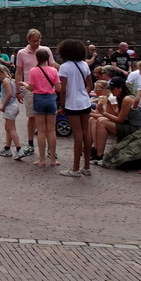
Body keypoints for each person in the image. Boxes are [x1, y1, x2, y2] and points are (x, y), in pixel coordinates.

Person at [56, 39, 93, 178]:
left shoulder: (65, 67)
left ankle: (75, 168)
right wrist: (84, 93)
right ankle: (86, 166)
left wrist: (62, 105)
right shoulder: (84, 64)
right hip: (85, 102)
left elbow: (63, 89)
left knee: (77, 134)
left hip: (72, 103)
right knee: (86, 133)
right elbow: (90, 85)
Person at [14, 29, 52, 157]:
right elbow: (19, 72)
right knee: (31, 116)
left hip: (46, 88)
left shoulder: (46, 50)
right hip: (30, 88)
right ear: (28, 40)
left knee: (47, 118)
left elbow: (52, 67)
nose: (36, 43)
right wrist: (18, 91)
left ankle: (50, 147)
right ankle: (30, 144)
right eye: (34, 41)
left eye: (38, 41)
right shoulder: (22, 53)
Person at [25, 48, 60, 167]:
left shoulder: (33, 70)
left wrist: (24, 84)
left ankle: (42, 159)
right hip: (50, 98)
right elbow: (58, 88)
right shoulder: (54, 70)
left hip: (39, 98)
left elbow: (31, 87)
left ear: (37, 58)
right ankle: (53, 159)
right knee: (51, 130)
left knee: (41, 130)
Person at [93, 77, 141, 161]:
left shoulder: (127, 99)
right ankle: (96, 150)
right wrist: (108, 103)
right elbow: (115, 114)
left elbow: (120, 120)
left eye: (113, 89)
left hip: (135, 129)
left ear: (120, 88)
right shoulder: (120, 97)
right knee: (99, 120)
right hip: (127, 124)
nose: (111, 91)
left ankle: (99, 155)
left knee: (102, 122)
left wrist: (103, 113)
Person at [0, 65, 25, 159]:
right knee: (7, 128)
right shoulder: (11, 80)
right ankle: (7, 148)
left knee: (11, 129)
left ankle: (19, 149)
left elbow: (9, 94)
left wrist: (3, 105)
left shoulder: (5, 81)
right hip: (13, 107)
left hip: (10, 107)